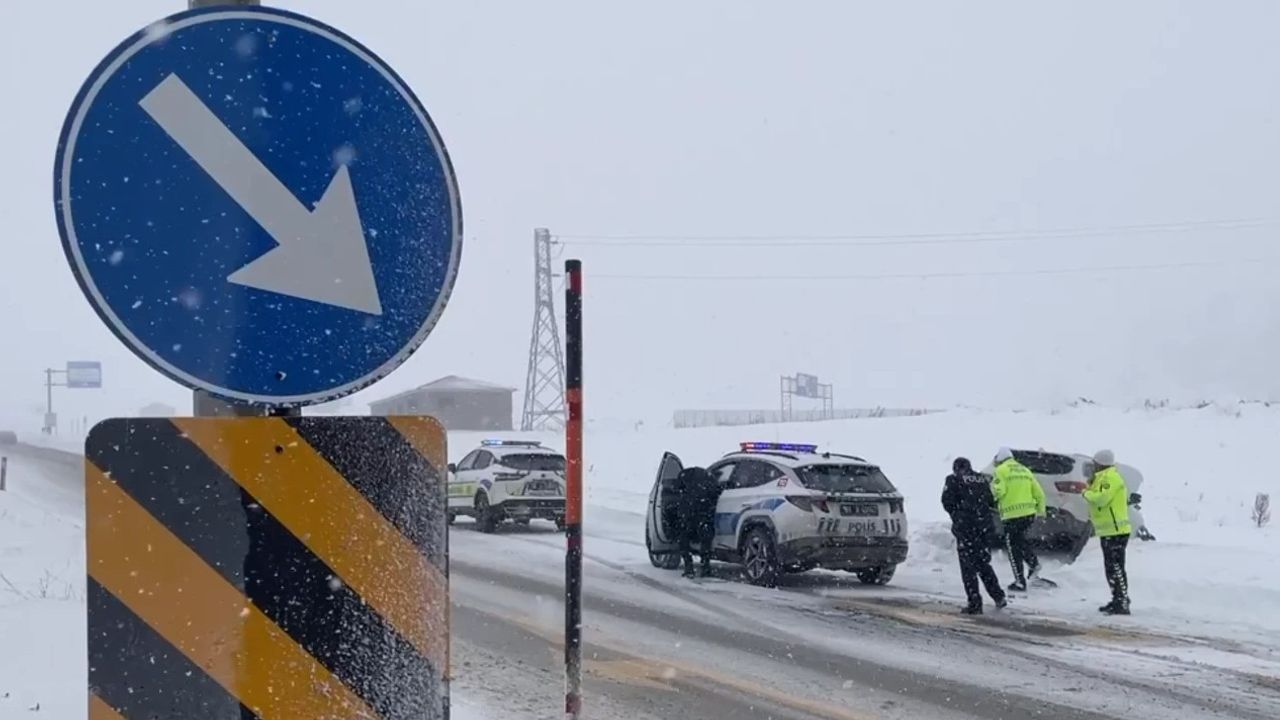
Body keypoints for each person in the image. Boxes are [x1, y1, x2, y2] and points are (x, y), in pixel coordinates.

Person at [942, 457, 1008, 614]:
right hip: (983, 528)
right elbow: (990, 500)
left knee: (968, 568)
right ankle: (998, 596)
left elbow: (946, 501)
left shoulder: (953, 479)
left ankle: (974, 602)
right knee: (983, 564)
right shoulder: (981, 479)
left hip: (966, 528)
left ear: (956, 468)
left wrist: (958, 516)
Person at [1083, 449, 1132, 615]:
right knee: (1111, 567)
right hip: (1108, 530)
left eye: (1095, 463)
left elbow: (1101, 499)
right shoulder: (1102, 478)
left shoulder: (1110, 478)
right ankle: (1117, 598)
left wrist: (1086, 493)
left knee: (1116, 567)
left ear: (1100, 464)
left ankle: (1122, 601)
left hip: (1116, 530)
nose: (1093, 467)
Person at [991, 447, 1046, 592]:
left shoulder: (1001, 470)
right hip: (1028, 514)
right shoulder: (1025, 470)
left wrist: (990, 497)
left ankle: (1019, 581)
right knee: (1020, 541)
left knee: (1012, 547)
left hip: (1012, 515)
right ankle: (1033, 564)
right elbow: (1039, 493)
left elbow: (999, 491)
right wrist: (1040, 511)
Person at [675, 466, 721, 578]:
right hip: (704, 516)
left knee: (683, 539)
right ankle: (705, 567)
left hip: (689, 516)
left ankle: (689, 567)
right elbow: (717, 492)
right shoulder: (709, 480)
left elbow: (678, 493)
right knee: (705, 540)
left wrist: (682, 516)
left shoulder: (687, 484)